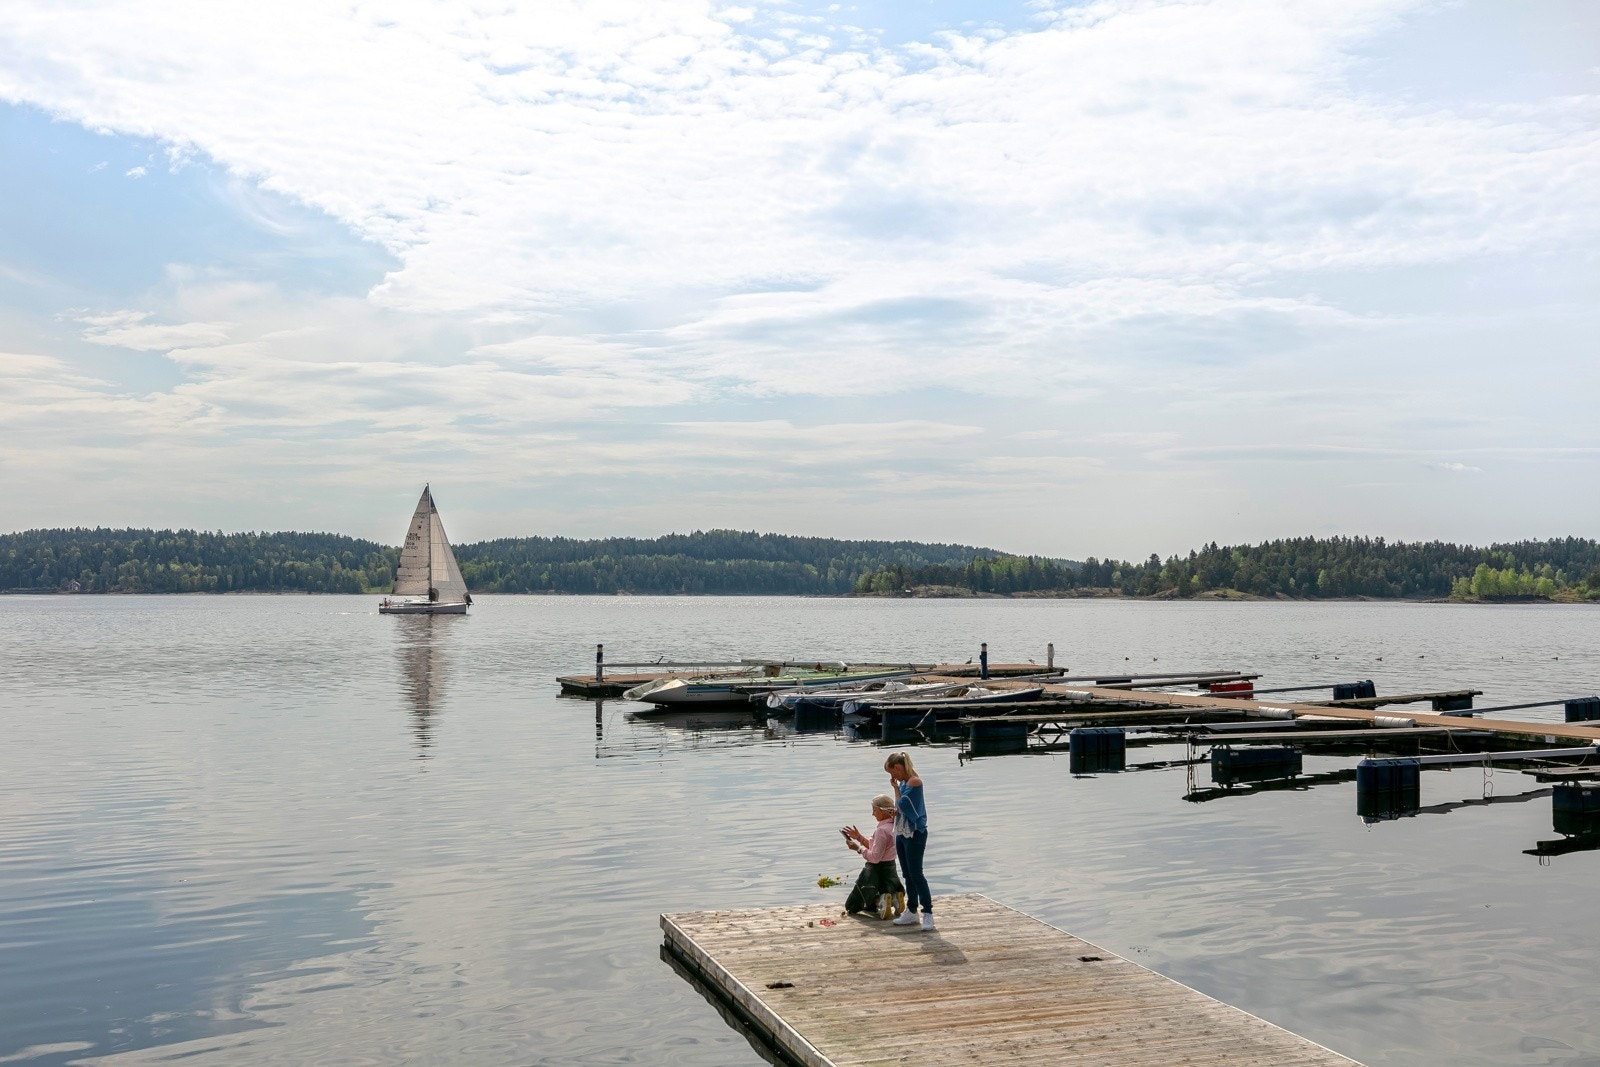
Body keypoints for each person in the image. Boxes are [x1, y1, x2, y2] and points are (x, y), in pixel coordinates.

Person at [885, 750, 933, 930]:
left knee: (916, 873)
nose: (893, 776)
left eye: (892, 772)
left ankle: (927, 912)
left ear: (898, 768)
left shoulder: (914, 782)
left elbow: (903, 804)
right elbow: (900, 808)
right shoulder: (905, 783)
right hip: (902, 832)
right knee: (906, 873)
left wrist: (896, 792)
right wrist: (897, 790)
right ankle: (912, 911)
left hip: (915, 833)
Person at [840, 794, 905, 919]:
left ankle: (880, 900)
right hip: (889, 868)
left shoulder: (881, 831)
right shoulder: (894, 826)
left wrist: (857, 849)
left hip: (874, 870)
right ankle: (894, 898)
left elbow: (875, 857)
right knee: (882, 890)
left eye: (874, 810)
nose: (873, 814)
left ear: (882, 810)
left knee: (851, 906)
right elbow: (877, 848)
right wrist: (858, 837)